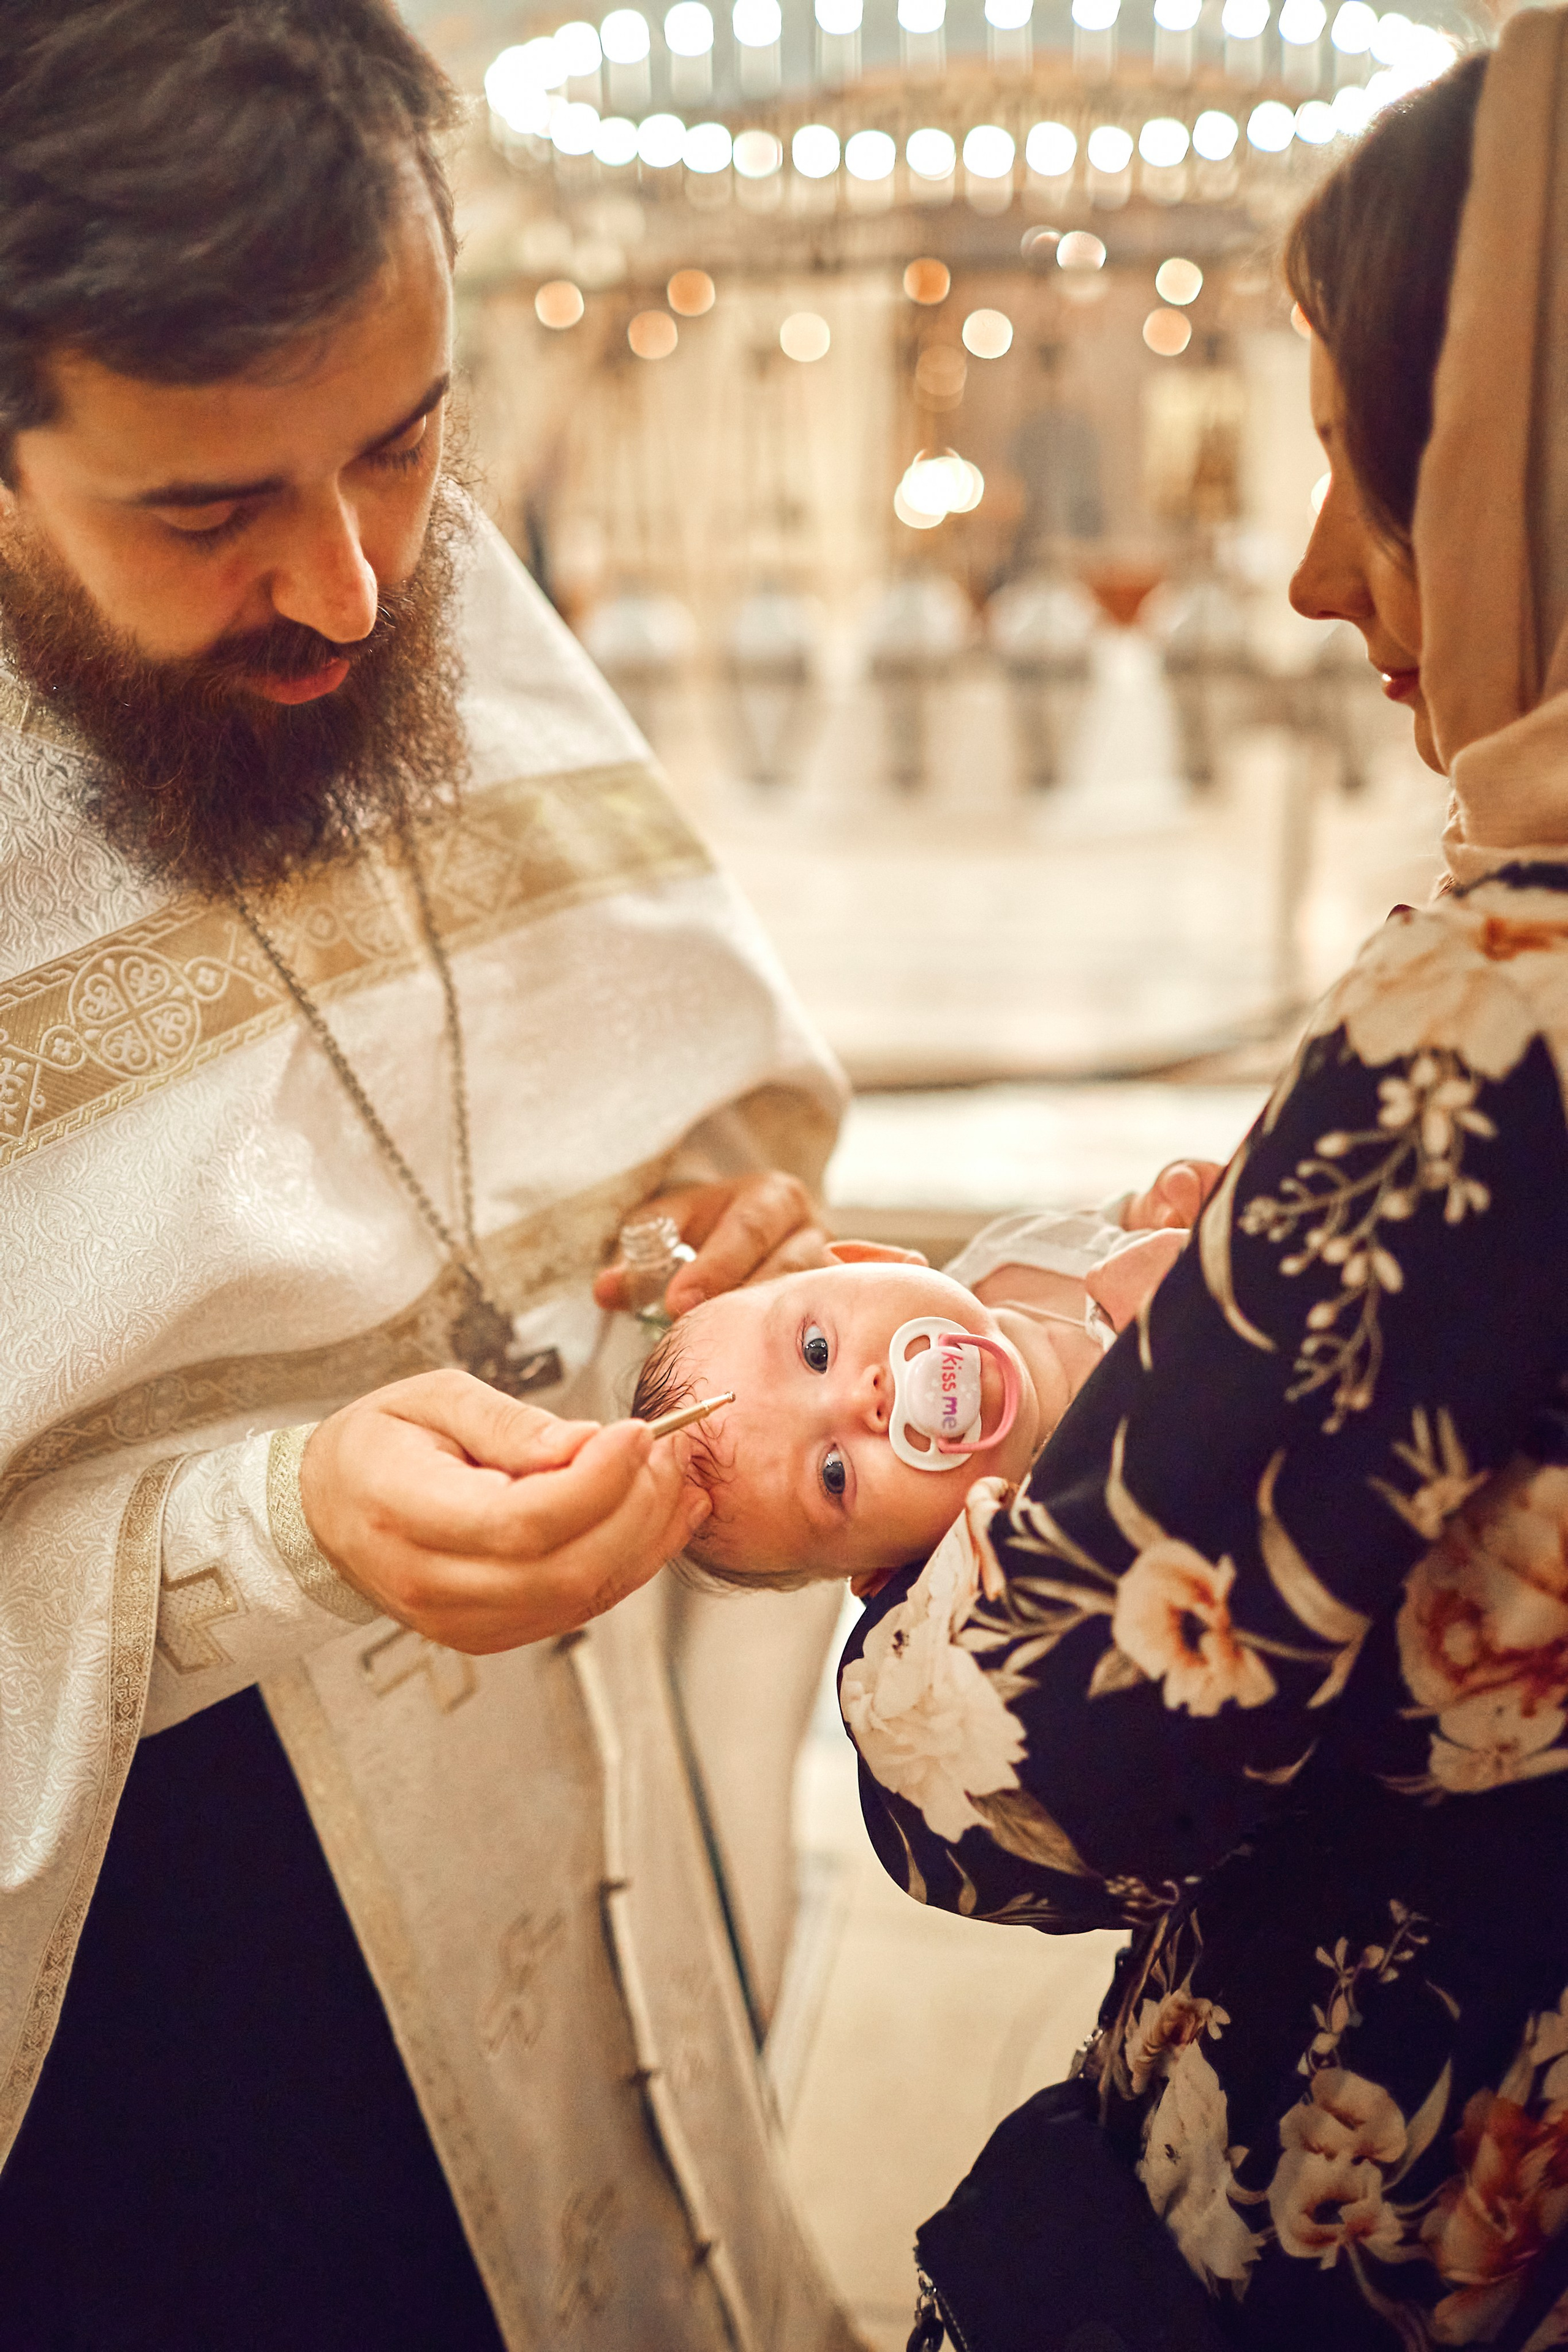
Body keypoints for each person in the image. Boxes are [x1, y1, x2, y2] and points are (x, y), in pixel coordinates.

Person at [0, 6, 858, 2346]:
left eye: (404, 445)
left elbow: (641, 1102)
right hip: (162, 2003)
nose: (358, 588)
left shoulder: (398, 572)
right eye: (210, 513)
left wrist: (695, 1262)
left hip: (586, 1856)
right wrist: (274, 1520)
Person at [842, 30, 1568, 2352]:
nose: (1313, 572)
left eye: (1378, 467)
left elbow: (1029, 1778)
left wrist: (914, 1480)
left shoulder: (1503, 1000)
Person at [633, 1163, 1218, 1594]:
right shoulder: (1066, 1517)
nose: (863, 1400)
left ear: (874, 1263)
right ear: (893, 1572)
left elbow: (1132, 1220)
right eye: (834, 1474)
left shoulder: (1008, 1256)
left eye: (817, 1351)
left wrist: (1169, 1206)